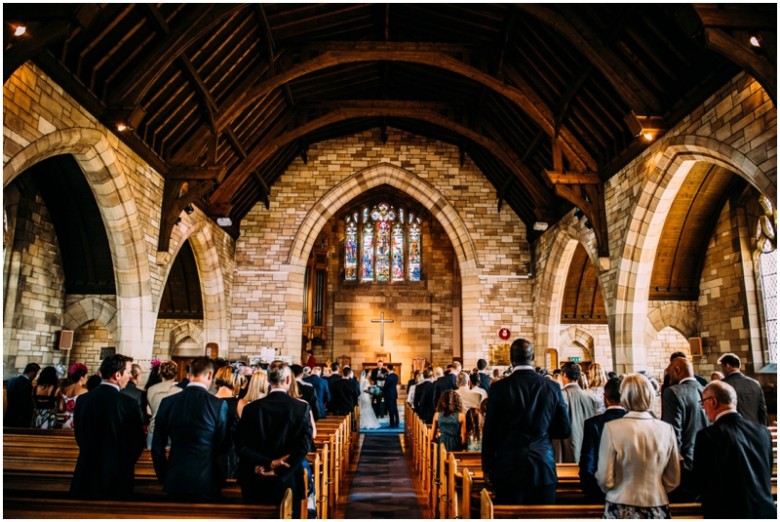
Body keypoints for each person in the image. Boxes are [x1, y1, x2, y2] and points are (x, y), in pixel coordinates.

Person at [482, 338, 571, 505]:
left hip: (508, 465)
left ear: (511, 359)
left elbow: (490, 432)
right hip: (542, 464)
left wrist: (486, 467)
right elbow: (564, 429)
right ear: (533, 357)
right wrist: (541, 433)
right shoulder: (551, 387)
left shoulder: (499, 388)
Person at [596, 373, 680, 519]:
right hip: (656, 502)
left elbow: (605, 478)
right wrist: (655, 488)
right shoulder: (666, 429)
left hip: (621, 502)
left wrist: (616, 489)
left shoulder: (612, 428)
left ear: (624, 396)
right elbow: (673, 479)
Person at [236, 361, 313, 519]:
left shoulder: (251, 408)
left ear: (269, 381)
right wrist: (279, 469)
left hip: (256, 478)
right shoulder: (300, 408)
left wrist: (266, 463)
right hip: (288, 479)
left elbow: (241, 446)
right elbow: (304, 446)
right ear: (287, 380)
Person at [693, 380, 775, 519]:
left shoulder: (708, 436)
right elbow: (766, 472)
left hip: (728, 512)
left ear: (713, 401)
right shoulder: (762, 432)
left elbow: (702, 481)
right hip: (765, 511)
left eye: (703, 402)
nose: (704, 409)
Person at [152, 356, 229, 502]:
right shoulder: (217, 405)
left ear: (189, 374)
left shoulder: (168, 402)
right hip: (207, 481)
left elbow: (157, 447)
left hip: (175, 479)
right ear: (210, 375)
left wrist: (164, 476)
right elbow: (223, 446)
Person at [70, 354, 145, 499]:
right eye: (128, 372)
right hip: (117, 474)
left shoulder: (83, 400)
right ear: (117, 375)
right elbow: (137, 441)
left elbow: (79, 435)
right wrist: (125, 462)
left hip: (86, 470)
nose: (130, 376)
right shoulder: (127, 403)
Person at [661, 356, 709, 501]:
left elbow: (672, 434)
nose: (668, 378)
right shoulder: (706, 390)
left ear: (677, 370)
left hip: (685, 466)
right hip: (707, 464)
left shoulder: (673, 392)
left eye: (669, 373)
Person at [578, 377, 625, 503]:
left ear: (605, 397)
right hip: (629, 492)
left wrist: (592, 492)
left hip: (599, 493)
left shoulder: (593, 423)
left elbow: (588, 462)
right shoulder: (634, 423)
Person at [559, 361, 598, 463]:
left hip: (566, 446)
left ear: (564, 375)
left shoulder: (560, 395)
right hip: (587, 445)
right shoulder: (591, 397)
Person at [718, 352, 767, 425]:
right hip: (754, 428)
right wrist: (761, 429)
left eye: (722, 367)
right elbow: (762, 410)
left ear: (727, 366)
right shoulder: (755, 383)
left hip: (734, 429)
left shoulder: (722, 384)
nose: (722, 371)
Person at [214, 365, 243, 480]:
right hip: (234, 455)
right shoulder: (240, 404)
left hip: (212, 453)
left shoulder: (209, 401)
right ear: (234, 380)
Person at [145, 360, 181, 448]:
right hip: (171, 432)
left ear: (160, 374)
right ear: (175, 375)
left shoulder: (151, 389)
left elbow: (151, 409)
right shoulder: (180, 391)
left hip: (154, 429)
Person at [4, 362, 40, 428]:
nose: (35, 376)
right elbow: (26, 403)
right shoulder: (27, 384)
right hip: (21, 419)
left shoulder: (11, 380)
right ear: (33, 372)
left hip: (9, 415)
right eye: (36, 373)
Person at [59, 362, 89, 429]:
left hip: (65, 420)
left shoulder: (66, 389)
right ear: (81, 378)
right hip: (77, 422)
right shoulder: (84, 391)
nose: (87, 379)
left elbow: (60, 407)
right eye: (86, 377)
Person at [383, 363, 400, 428]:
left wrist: (382, 388)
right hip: (394, 394)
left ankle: (392, 424)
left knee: (391, 410)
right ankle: (397, 423)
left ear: (388, 369)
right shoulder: (396, 376)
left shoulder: (388, 377)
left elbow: (386, 386)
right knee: (395, 409)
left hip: (389, 395)